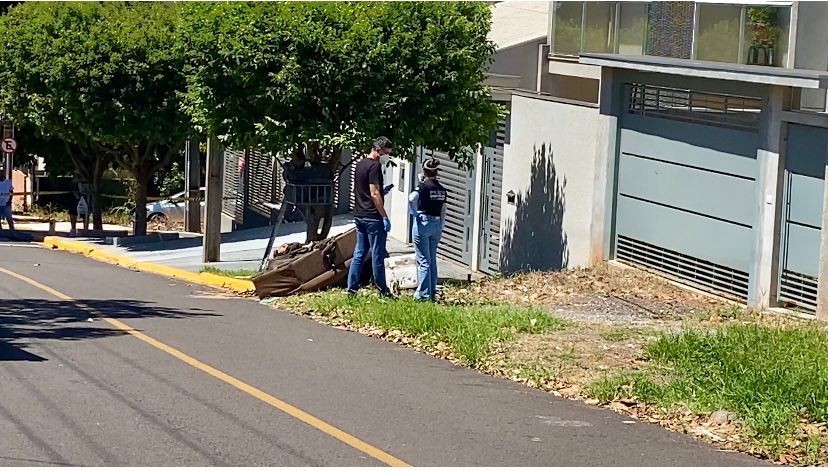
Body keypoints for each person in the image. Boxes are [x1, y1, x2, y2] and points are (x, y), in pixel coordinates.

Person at [347, 136, 395, 296]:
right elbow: (374, 193)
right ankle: (382, 289)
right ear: (378, 150)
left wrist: (383, 191)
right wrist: (384, 216)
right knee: (377, 253)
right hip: (372, 217)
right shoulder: (374, 167)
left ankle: (352, 288)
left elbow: (364, 189)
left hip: (359, 214)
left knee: (359, 252)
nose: (387, 156)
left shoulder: (360, 164)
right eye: (386, 153)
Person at [408, 158, 447, 301]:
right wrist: (441, 226)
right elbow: (443, 210)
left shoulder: (423, 187)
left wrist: (413, 212)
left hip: (423, 222)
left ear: (424, 171)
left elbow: (412, 198)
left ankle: (422, 295)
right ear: (437, 172)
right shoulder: (442, 190)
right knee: (432, 259)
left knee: (423, 260)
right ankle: (431, 294)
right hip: (436, 224)